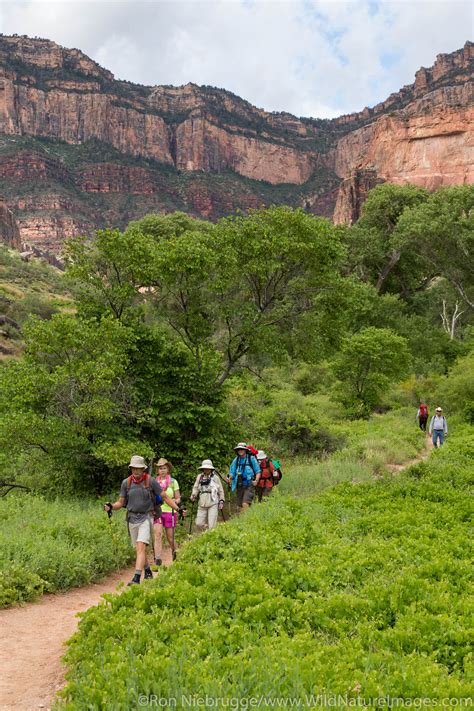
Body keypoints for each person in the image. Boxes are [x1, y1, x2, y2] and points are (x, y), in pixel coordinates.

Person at [103, 455, 181, 585]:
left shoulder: (150, 481)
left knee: (140, 546)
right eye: (133, 468)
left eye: (138, 469)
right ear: (131, 468)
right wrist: (111, 506)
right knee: (139, 549)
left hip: (147, 517)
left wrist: (178, 509)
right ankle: (148, 571)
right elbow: (120, 502)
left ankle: (136, 578)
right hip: (132, 518)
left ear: (143, 469)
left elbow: (165, 497)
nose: (136, 471)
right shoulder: (126, 483)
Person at [153, 457, 181, 566]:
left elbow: (178, 498)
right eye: (160, 468)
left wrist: (175, 501)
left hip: (170, 511)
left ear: (168, 469)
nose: (162, 470)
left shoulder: (173, 482)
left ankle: (175, 552)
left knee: (170, 537)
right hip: (158, 511)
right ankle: (158, 558)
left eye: (164, 468)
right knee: (158, 534)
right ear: (157, 470)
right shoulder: (154, 482)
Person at [190, 459, 225, 530]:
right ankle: (207, 529)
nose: (206, 469)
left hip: (213, 502)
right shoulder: (199, 477)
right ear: (202, 469)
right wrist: (193, 495)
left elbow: (220, 490)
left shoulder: (215, 478)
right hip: (202, 503)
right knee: (198, 524)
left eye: (208, 468)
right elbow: (196, 487)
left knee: (212, 525)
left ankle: (211, 535)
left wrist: (221, 500)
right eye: (205, 468)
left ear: (211, 469)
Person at [227, 442, 260, 509]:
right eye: (239, 449)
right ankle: (246, 517)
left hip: (249, 484)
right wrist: (229, 479)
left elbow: (258, 471)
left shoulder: (251, 458)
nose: (240, 451)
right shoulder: (236, 460)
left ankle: (248, 519)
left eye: (242, 449)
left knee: (245, 503)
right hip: (239, 485)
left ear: (245, 450)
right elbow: (232, 472)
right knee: (239, 506)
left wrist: (256, 480)